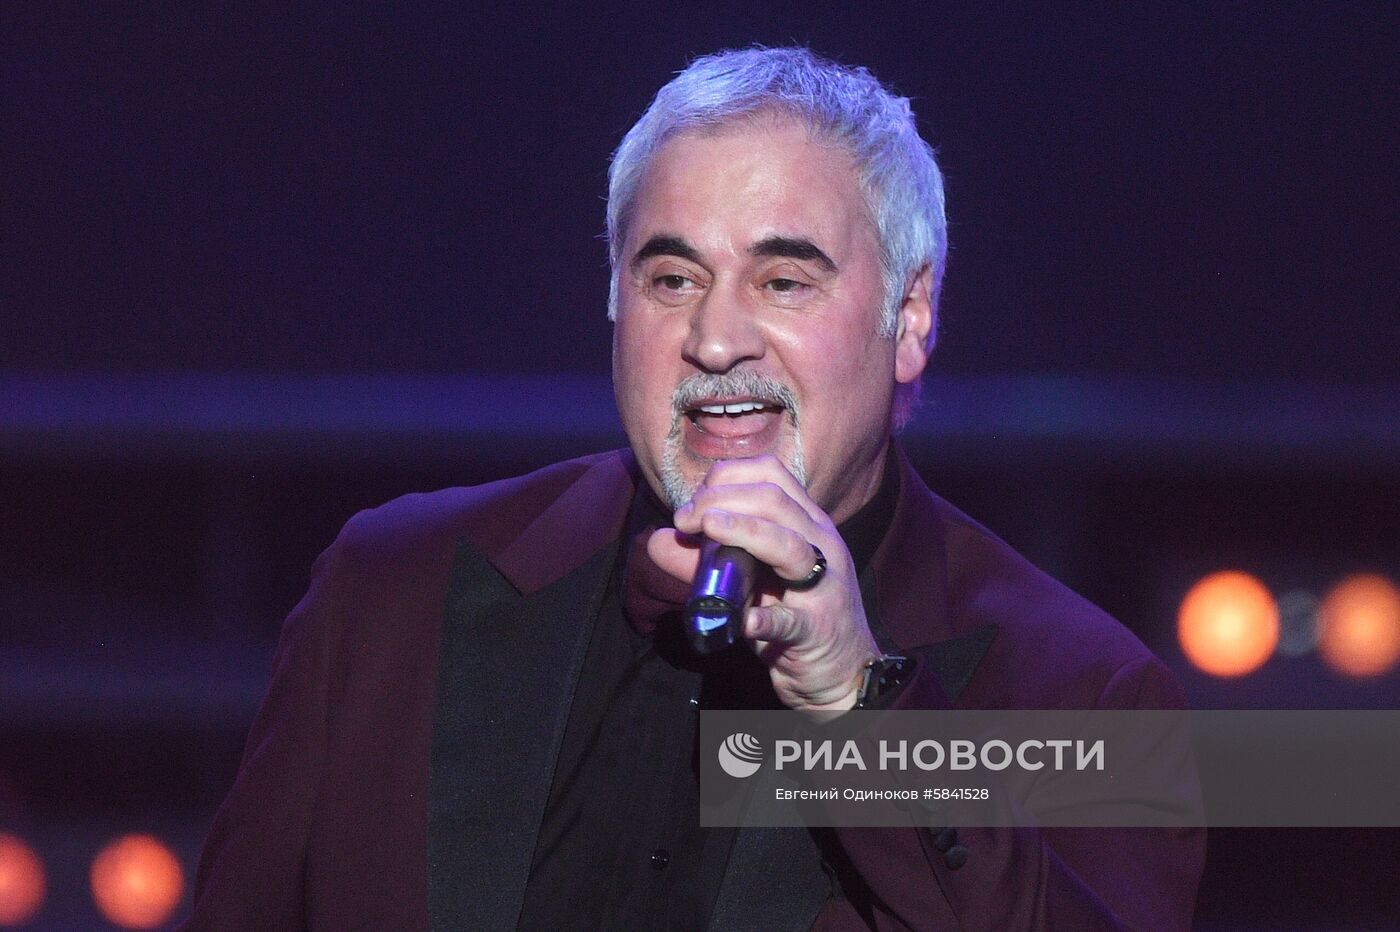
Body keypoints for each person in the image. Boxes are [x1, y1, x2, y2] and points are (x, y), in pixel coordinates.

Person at [182, 47, 1204, 931]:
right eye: (672, 279)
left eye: (783, 280)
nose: (715, 340)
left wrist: (860, 708)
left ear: (909, 316)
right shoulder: (388, 593)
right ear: (613, 297)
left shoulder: (1081, 692)